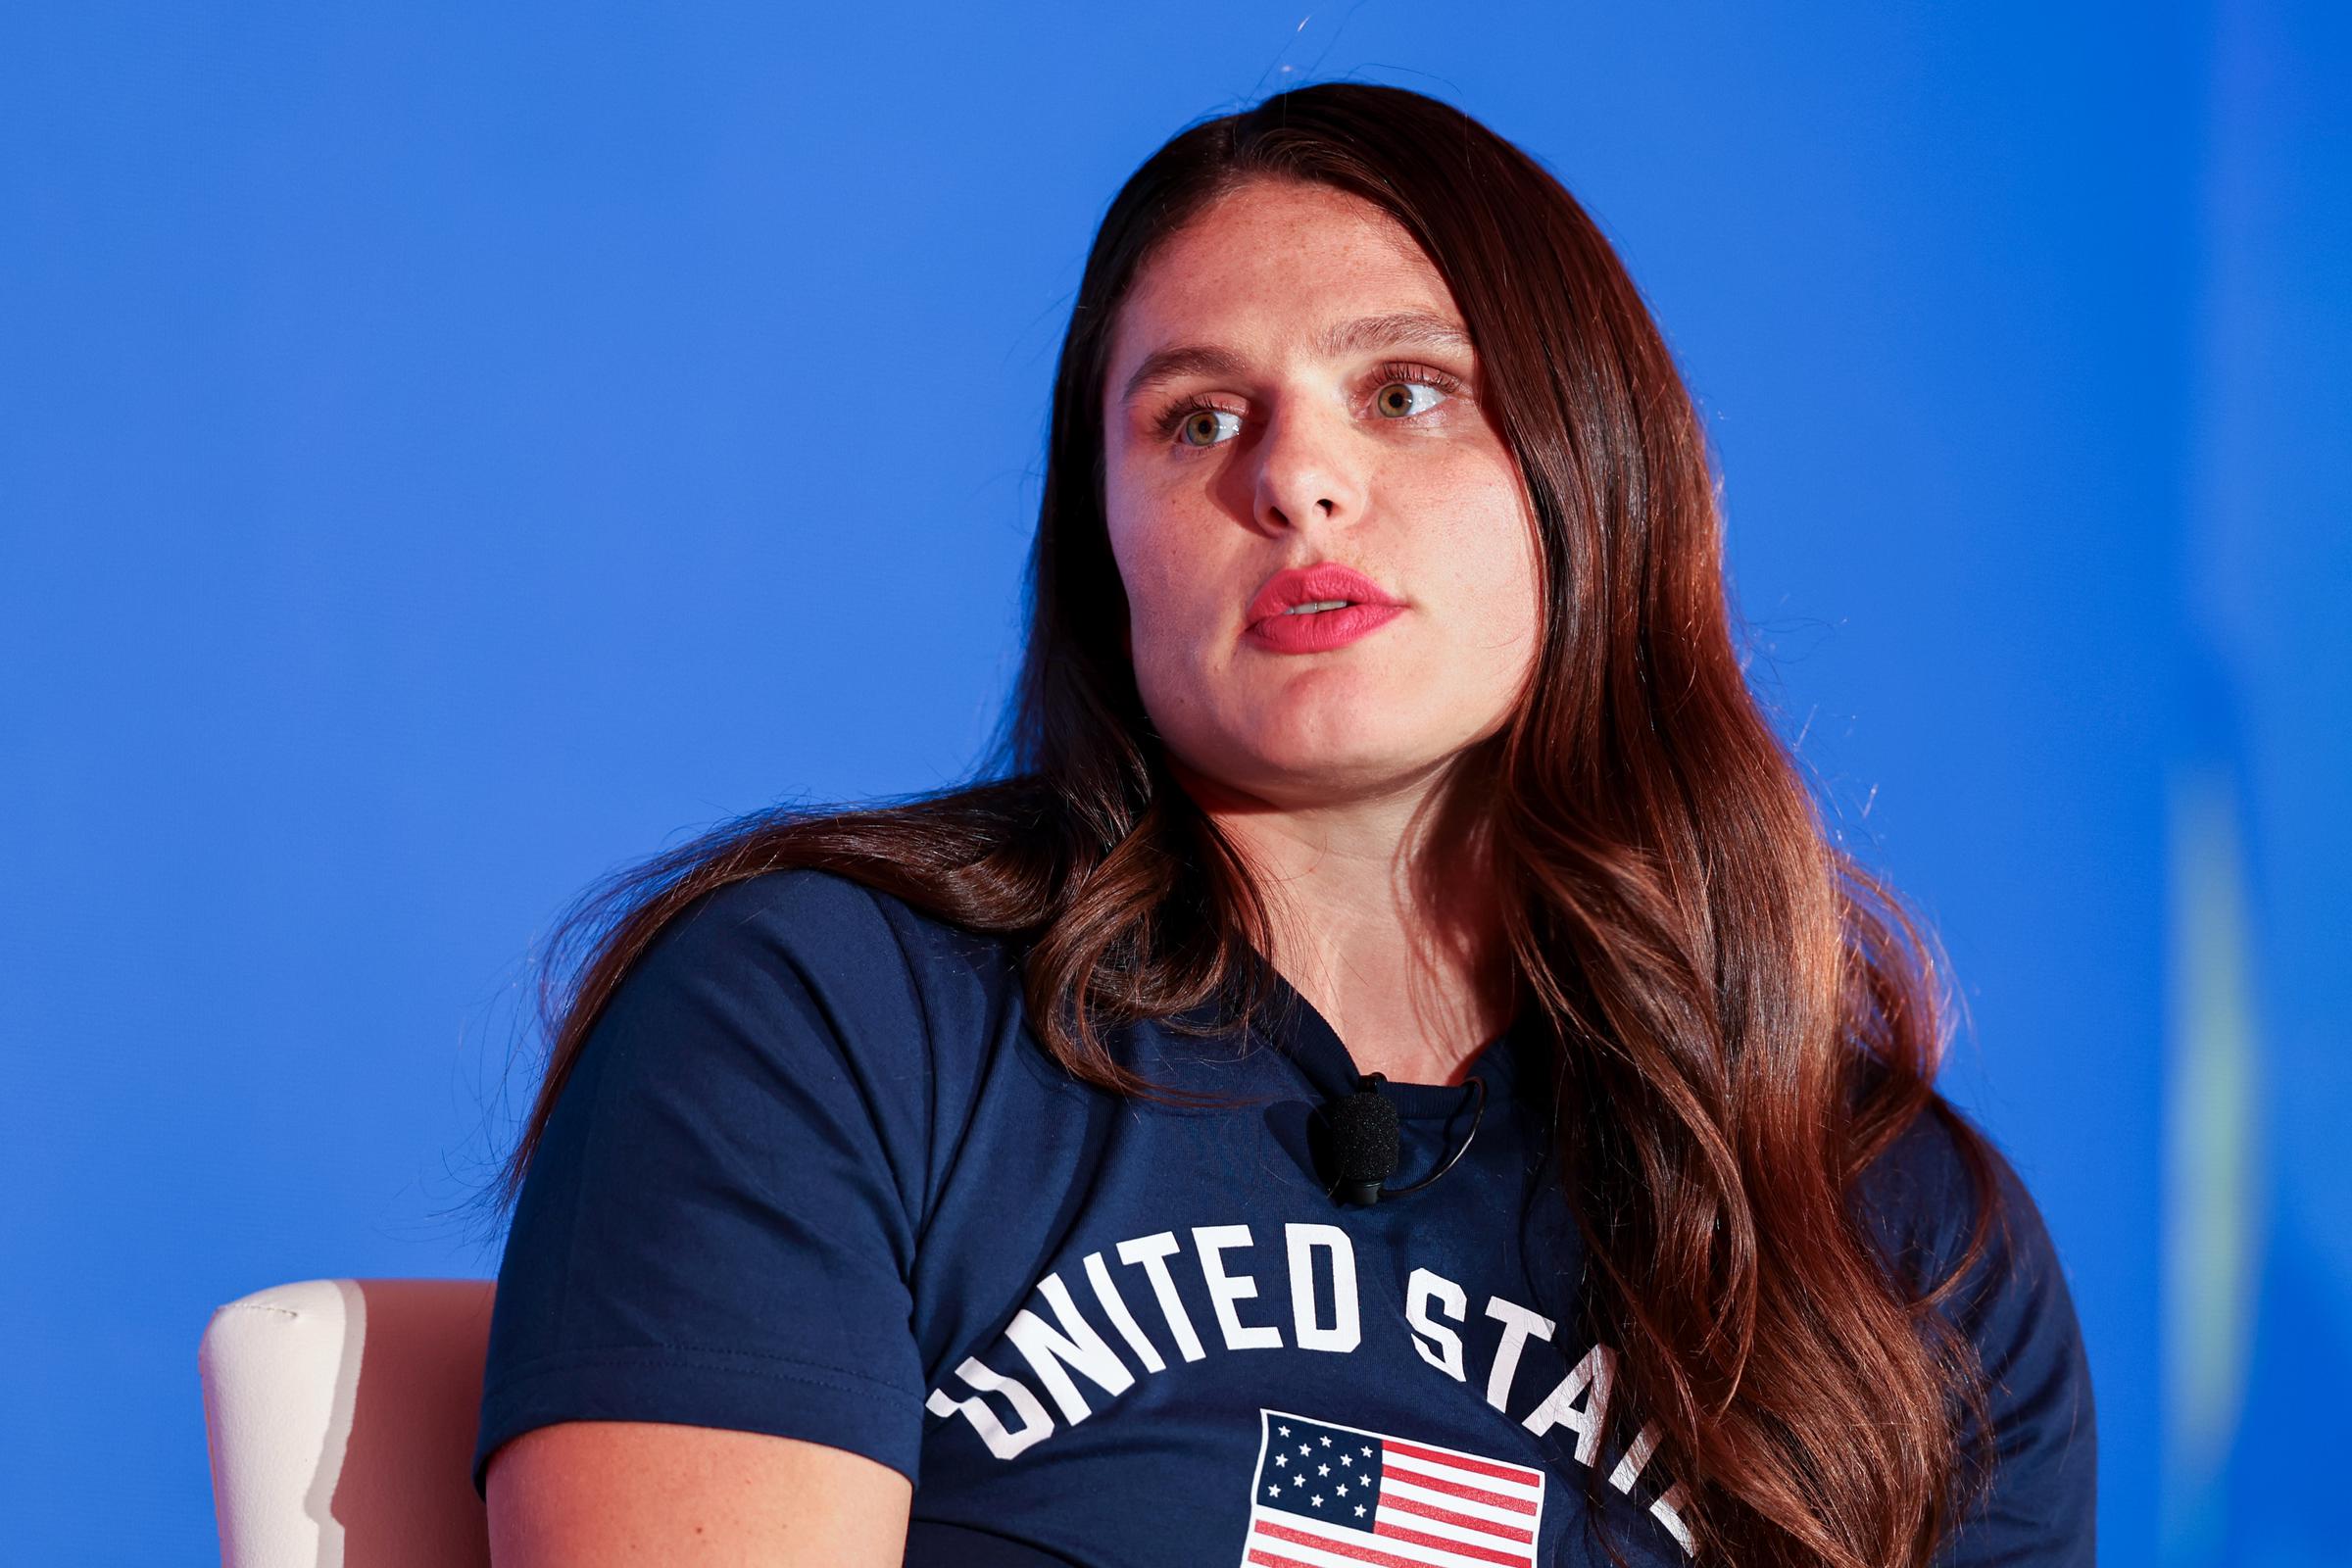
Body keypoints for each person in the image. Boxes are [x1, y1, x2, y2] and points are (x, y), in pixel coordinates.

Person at [468, 81, 2096, 1568]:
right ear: (1107, 551)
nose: (1299, 479)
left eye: (1406, 393)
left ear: (1599, 476)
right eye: (1195, 420)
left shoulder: (1907, 1235)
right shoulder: (819, 1024)